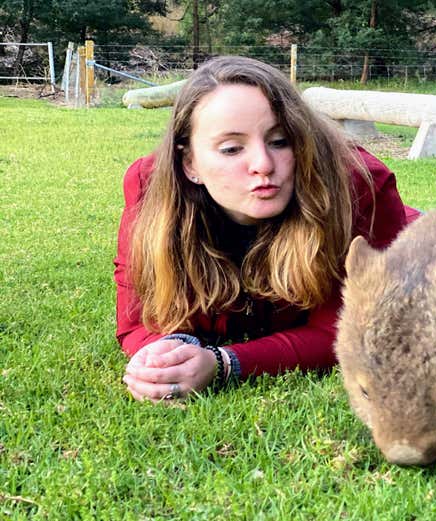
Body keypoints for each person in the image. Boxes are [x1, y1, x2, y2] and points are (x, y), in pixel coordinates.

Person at [115, 56, 418, 402]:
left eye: (279, 141)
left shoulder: (359, 184)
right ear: (189, 163)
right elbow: (134, 316)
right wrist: (161, 357)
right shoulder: (150, 186)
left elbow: (350, 328)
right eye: (231, 149)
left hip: (405, 240)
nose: (263, 165)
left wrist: (223, 362)